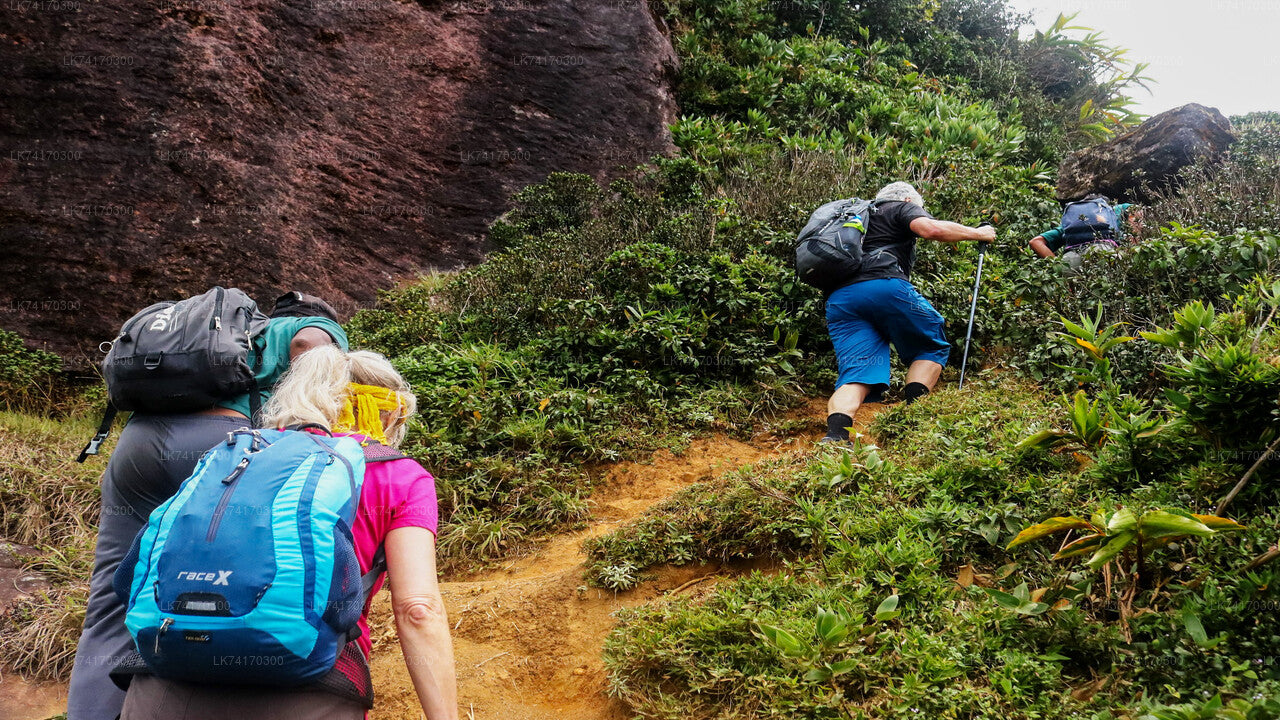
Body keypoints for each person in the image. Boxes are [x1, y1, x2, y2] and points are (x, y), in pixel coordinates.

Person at [118, 345, 459, 720]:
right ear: (390, 412)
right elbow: (417, 609)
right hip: (310, 690)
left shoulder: (233, 454)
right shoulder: (401, 476)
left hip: (166, 686)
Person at [66, 291, 348, 720]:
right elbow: (311, 343)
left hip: (138, 447)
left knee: (110, 596)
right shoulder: (310, 327)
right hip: (220, 444)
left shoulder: (237, 334)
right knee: (221, 576)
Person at [821, 182, 996, 443]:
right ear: (907, 200)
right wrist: (979, 233)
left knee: (857, 373)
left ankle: (835, 437)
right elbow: (931, 229)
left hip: (841, 300)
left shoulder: (856, 218)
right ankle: (914, 417)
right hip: (885, 287)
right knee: (930, 344)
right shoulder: (900, 207)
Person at [1029, 194, 1144, 268]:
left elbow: (1035, 242)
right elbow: (1136, 210)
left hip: (1070, 261)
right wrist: (1132, 245)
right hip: (1105, 254)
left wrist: (1058, 266)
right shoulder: (1115, 210)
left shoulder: (1069, 226)